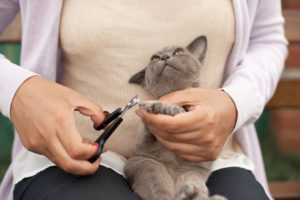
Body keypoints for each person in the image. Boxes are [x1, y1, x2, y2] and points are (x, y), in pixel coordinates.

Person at [0, 0, 287, 200]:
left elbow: (266, 38)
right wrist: (17, 91)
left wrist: (234, 104)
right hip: (71, 160)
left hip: (210, 163)